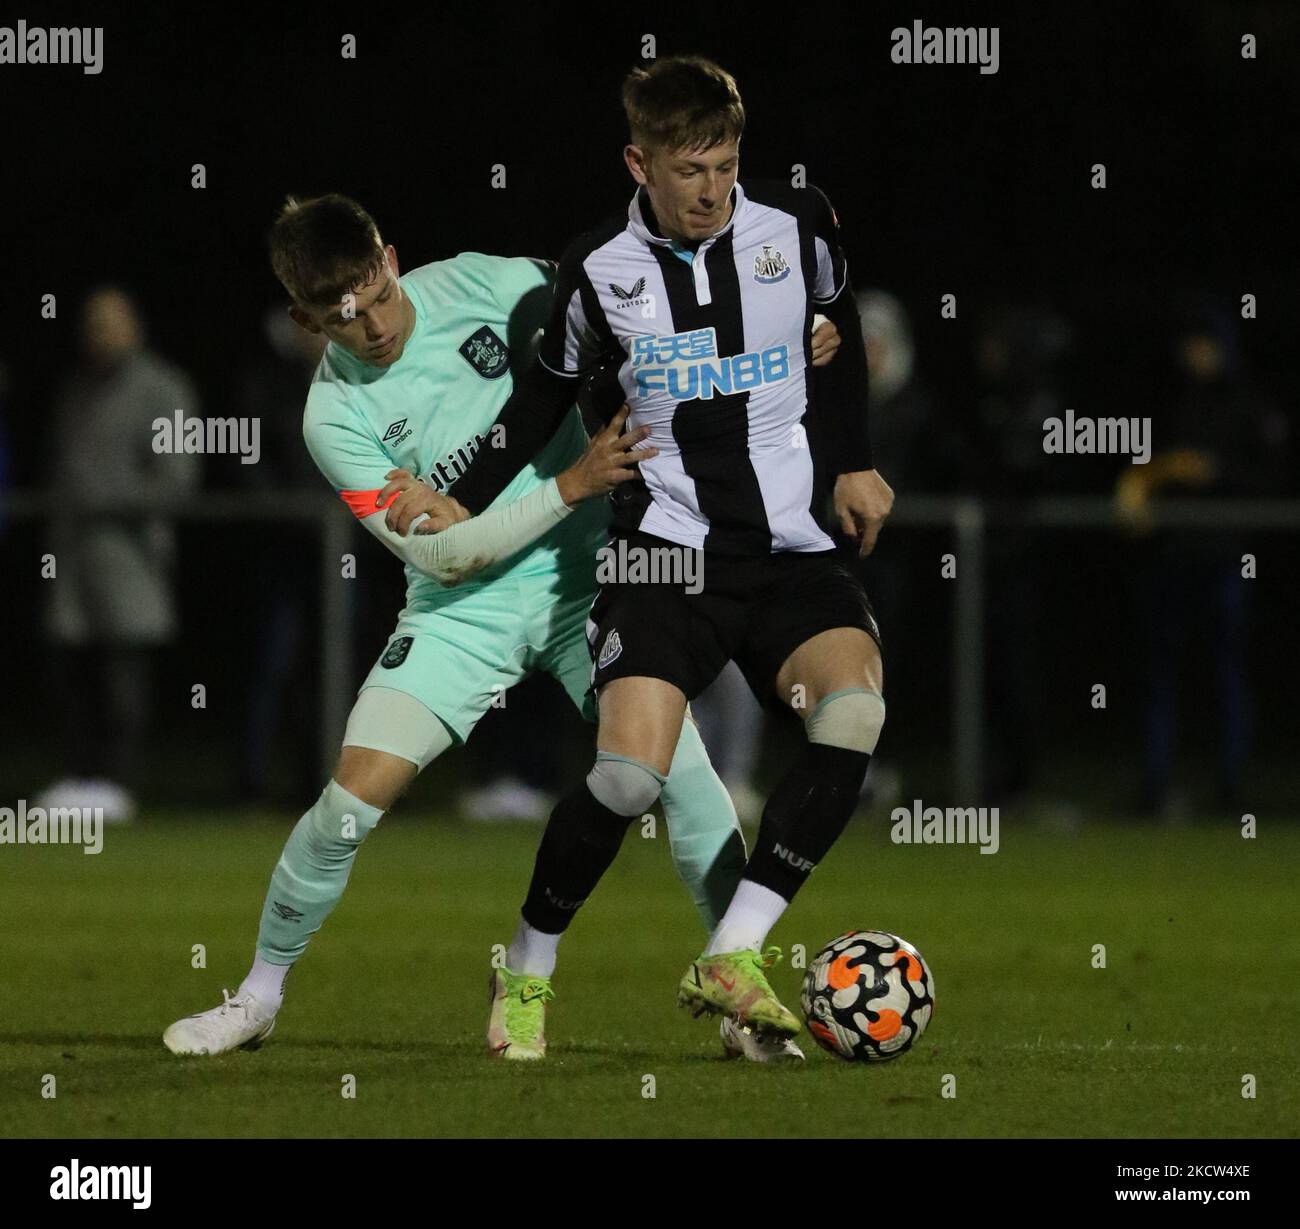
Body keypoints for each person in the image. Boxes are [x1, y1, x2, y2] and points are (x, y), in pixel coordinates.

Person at [163, 193, 842, 1063]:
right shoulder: (332, 420)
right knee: (345, 807)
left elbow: (637, 309)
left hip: (591, 583)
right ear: (304, 320)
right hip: (462, 614)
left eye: (378, 294)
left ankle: (741, 999)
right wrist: (571, 483)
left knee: (686, 788)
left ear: (392, 256)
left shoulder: (494, 286)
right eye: (344, 318)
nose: (374, 326)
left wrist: (792, 336)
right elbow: (448, 559)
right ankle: (257, 996)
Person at [441, 55, 891, 1041]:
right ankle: (528, 961)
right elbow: (539, 401)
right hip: (664, 554)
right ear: (638, 163)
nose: (714, 190)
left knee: (852, 713)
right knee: (628, 778)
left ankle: (731, 952)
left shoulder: (795, 223)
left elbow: (840, 319)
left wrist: (854, 460)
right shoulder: (595, 265)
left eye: (727, 165)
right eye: (691, 169)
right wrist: (456, 495)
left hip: (787, 551)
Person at [36, 287, 201, 822]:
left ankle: (119, 783)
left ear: (135, 325)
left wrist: (103, 500)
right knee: (72, 675)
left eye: (110, 322)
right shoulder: (74, 387)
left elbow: (179, 481)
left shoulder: (164, 388)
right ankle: (79, 779)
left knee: (122, 678)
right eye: (91, 322)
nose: (99, 333)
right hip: (71, 560)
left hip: (132, 558)